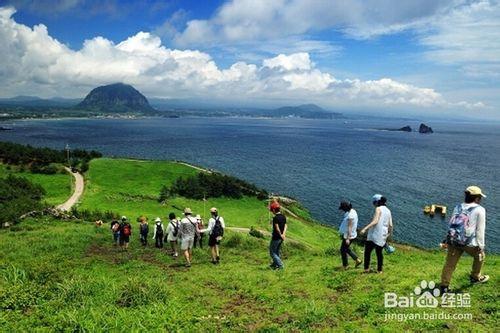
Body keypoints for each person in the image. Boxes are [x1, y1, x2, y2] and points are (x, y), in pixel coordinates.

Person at [440, 186, 489, 293]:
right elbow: (480, 230)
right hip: (468, 243)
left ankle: (444, 286)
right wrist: (481, 246)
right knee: (480, 257)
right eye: (480, 197)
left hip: (454, 240)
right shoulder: (480, 210)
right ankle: (475, 277)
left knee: (449, 264)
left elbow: (451, 224)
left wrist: (447, 239)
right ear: (477, 198)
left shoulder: (457, 207)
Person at [360, 194, 393, 273]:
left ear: (377, 202)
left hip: (374, 235)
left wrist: (365, 229)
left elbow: (375, 221)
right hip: (383, 236)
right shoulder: (388, 211)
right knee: (379, 253)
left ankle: (366, 269)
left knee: (367, 252)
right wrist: (389, 235)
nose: (374, 205)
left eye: (374, 203)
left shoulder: (378, 209)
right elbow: (391, 225)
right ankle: (379, 270)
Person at [338, 201, 362, 269]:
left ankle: (345, 266)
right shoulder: (352, 211)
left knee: (343, 250)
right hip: (350, 234)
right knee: (346, 249)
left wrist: (348, 238)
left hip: (348, 235)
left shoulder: (350, 216)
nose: (342, 210)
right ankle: (357, 260)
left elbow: (350, 227)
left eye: (343, 209)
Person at [269, 201, 286, 270]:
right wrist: (283, 234)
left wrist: (280, 234)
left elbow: (277, 228)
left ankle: (281, 265)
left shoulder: (275, 218)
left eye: (271, 210)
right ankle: (275, 264)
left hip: (276, 237)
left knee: (272, 252)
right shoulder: (283, 216)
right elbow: (285, 226)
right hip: (281, 238)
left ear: (273, 210)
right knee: (277, 251)